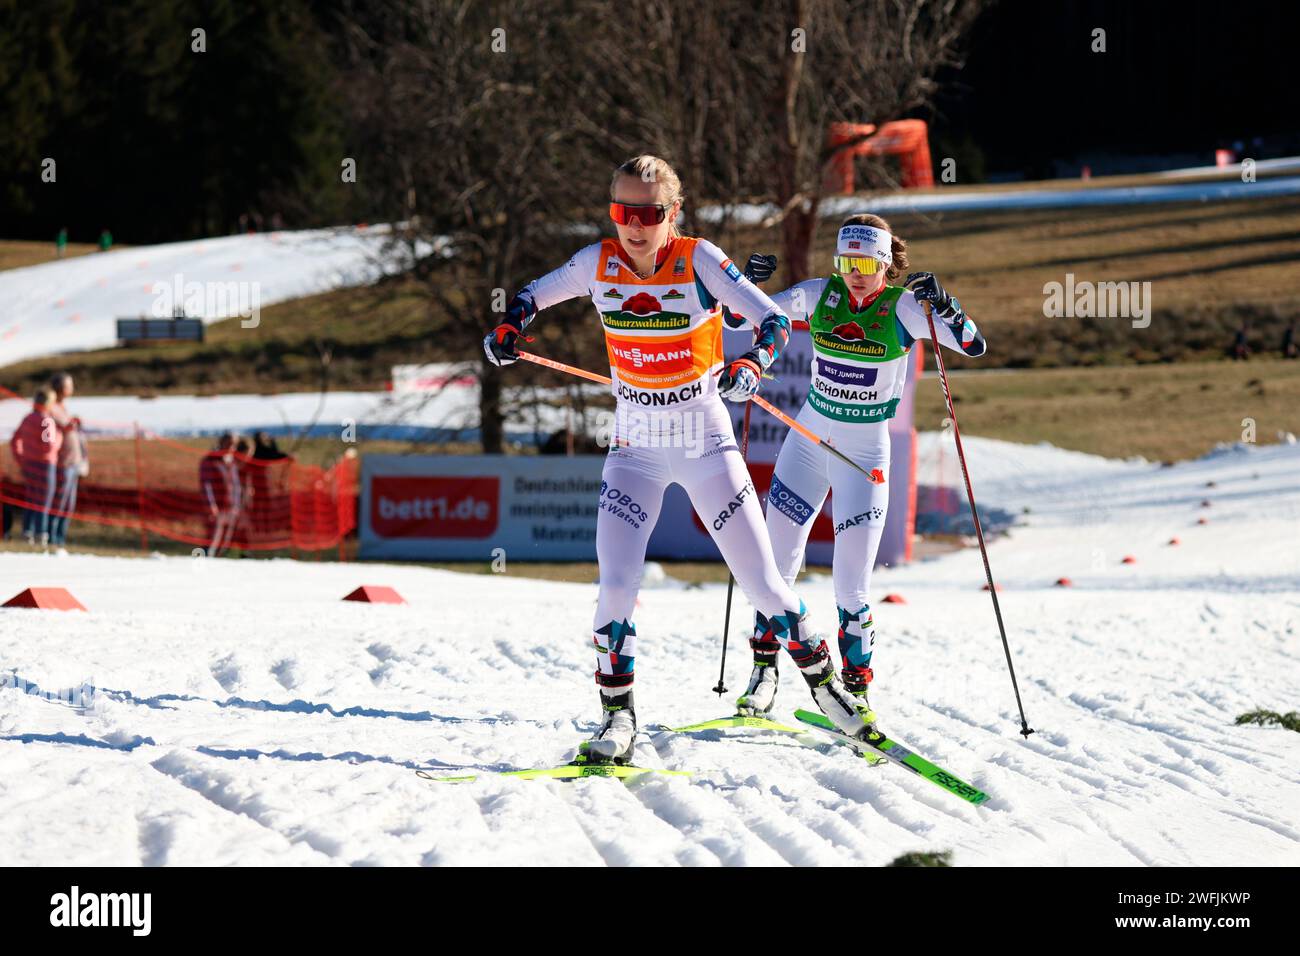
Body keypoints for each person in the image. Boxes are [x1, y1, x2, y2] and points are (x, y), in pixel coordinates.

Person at [482, 154, 872, 762]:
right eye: (622, 212)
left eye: (648, 212)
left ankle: (828, 690)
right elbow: (530, 295)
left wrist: (751, 364)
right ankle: (618, 721)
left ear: (673, 213)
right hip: (634, 448)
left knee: (765, 584)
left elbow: (770, 320)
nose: (633, 226)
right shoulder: (598, 263)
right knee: (614, 586)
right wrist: (509, 330)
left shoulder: (699, 260)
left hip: (704, 443)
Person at [727, 214, 987, 730]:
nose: (856, 273)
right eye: (847, 262)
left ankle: (856, 693)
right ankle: (763, 673)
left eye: (867, 262)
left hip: (864, 458)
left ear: (886, 263)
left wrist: (947, 304)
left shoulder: (904, 307)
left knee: (851, 586)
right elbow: (745, 323)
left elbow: (973, 345)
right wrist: (746, 288)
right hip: (806, 444)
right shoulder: (819, 294)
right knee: (772, 568)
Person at [8, 388, 63, 550]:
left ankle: (27, 533)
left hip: (29, 465)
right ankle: (41, 535)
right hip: (45, 466)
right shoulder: (46, 421)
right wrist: (60, 436)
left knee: (31, 500)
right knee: (43, 502)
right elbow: (50, 446)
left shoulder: (27, 419)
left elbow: (14, 441)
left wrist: (21, 460)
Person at [46, 372, 87, 555]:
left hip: (74, 462)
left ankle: (61, 539)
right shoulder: (52, 408)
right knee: (59, 502)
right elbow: (57, 427)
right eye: (69, 385)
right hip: (64, 462)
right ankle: (52, 537)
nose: (71, 388)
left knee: (69, 504)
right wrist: (70, 424)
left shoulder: (63, 407)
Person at [199, 433, 241, 556]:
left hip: (231, 508)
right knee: (212, 540)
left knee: (224, 542)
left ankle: (216, 565)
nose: (231, 447)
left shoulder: (231, 462)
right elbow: (206, 485)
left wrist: (237, 505)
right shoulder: (210, 461)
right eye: (229, 443)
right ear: (222, 443)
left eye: (234, 444)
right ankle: (200, 562)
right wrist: (211, 505)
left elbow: (236, 485)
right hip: (217, 507)